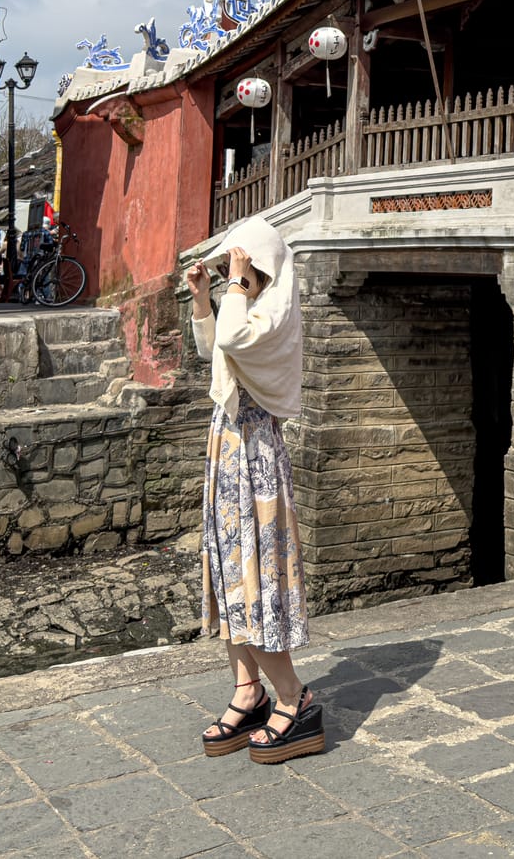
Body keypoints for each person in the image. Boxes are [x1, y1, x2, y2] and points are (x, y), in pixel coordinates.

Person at [186, 214, 323, 764]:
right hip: (229, 443)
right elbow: (212, 349)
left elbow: (234, 335)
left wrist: (237, 283)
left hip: (255, 452)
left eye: (238, 265)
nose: (230, 274)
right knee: (229, 566)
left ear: (261, 268)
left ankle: (295, 697)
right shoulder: (249, 306)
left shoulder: (274, 310)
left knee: (254, 572)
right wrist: (202, 298)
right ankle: (248, 689)